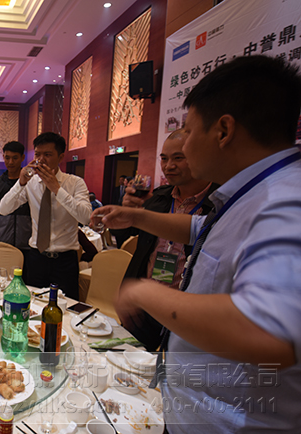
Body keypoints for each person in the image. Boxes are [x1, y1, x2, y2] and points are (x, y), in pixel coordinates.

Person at [93, 55, 301, 433]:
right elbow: (202, 229)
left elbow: (271, 332)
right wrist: (137, 217)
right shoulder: (256, 192)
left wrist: (144, 292)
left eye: (188, 133)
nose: (184, 149)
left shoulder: (284, 201)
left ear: (223, 130)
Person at [120, 130, 217, 351]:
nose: (168, 166)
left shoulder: (217, 204)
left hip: (186, 311)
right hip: (144, 308)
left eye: (178, 158)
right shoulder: (158, 198)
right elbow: (127, 240)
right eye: (164, 158)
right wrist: (129, 213)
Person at [0, 132, 91, 299]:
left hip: (65, 259)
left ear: (60, 157)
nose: (41, 160)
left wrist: (57, 189)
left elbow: (86, 217)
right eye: (37, 154)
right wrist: (20, 183)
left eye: (47, 155)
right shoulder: (31, 183)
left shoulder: (75, 183)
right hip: (36, 257)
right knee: (32, 304)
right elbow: (3, 209)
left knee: (66, 306)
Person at [0, 141, 32, 250]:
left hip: (27, 242)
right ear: (3, 157)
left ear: (22, 158)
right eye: (7, 158)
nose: (10, 162)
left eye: (15, 158)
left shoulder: (30, 182)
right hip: (2, 240)